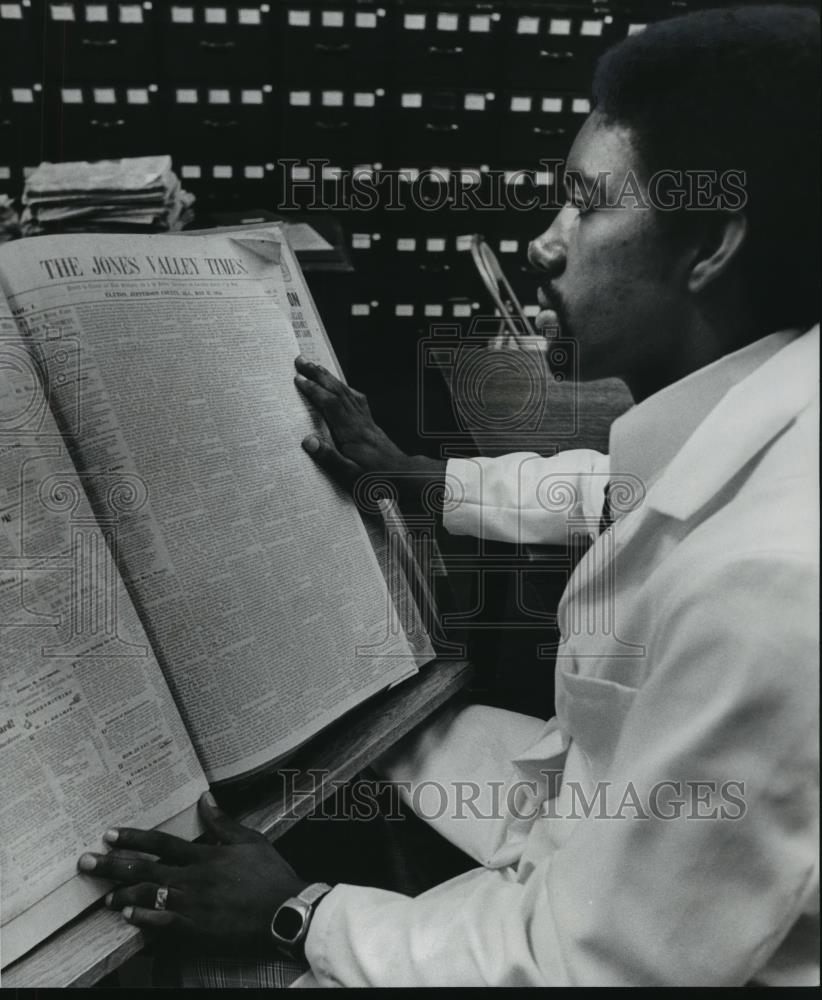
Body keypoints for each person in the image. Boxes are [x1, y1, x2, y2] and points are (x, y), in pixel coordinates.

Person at [77, 5, 819, 986]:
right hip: (594, 848)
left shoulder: (767, 583)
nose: (542, 247)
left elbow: (594, 967)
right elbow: (620, 488)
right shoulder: (777, 407)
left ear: (711, 245)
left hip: (598, 942)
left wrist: (299, 916)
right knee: (382, 744)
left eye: (586, 206)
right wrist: (430, 483)